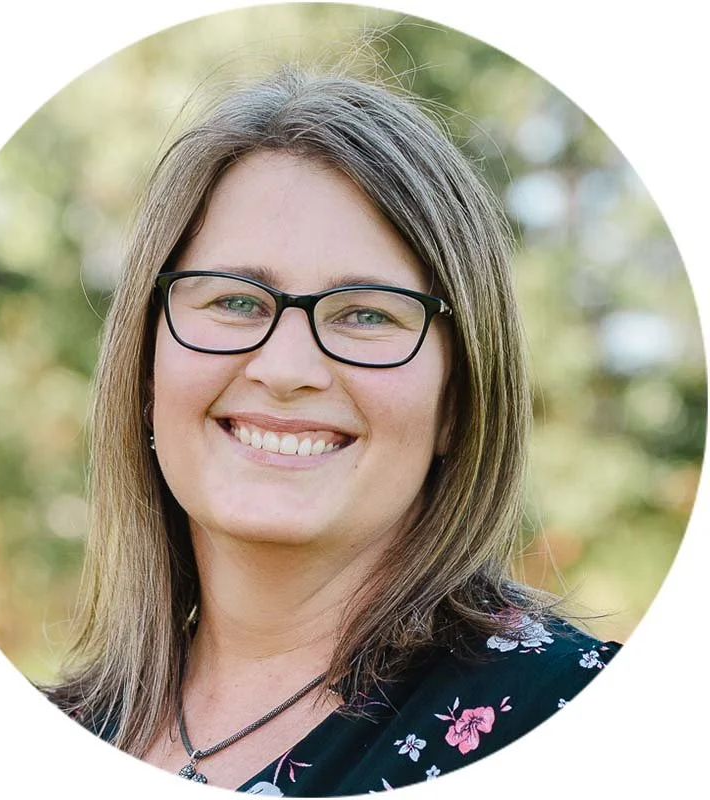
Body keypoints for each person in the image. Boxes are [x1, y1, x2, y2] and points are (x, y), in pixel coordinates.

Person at [45, 64, 620, 794]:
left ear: (457, 400)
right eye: (233, 301)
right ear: (148, 367)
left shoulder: (575, 721)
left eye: (368, 313)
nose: (286, 368)